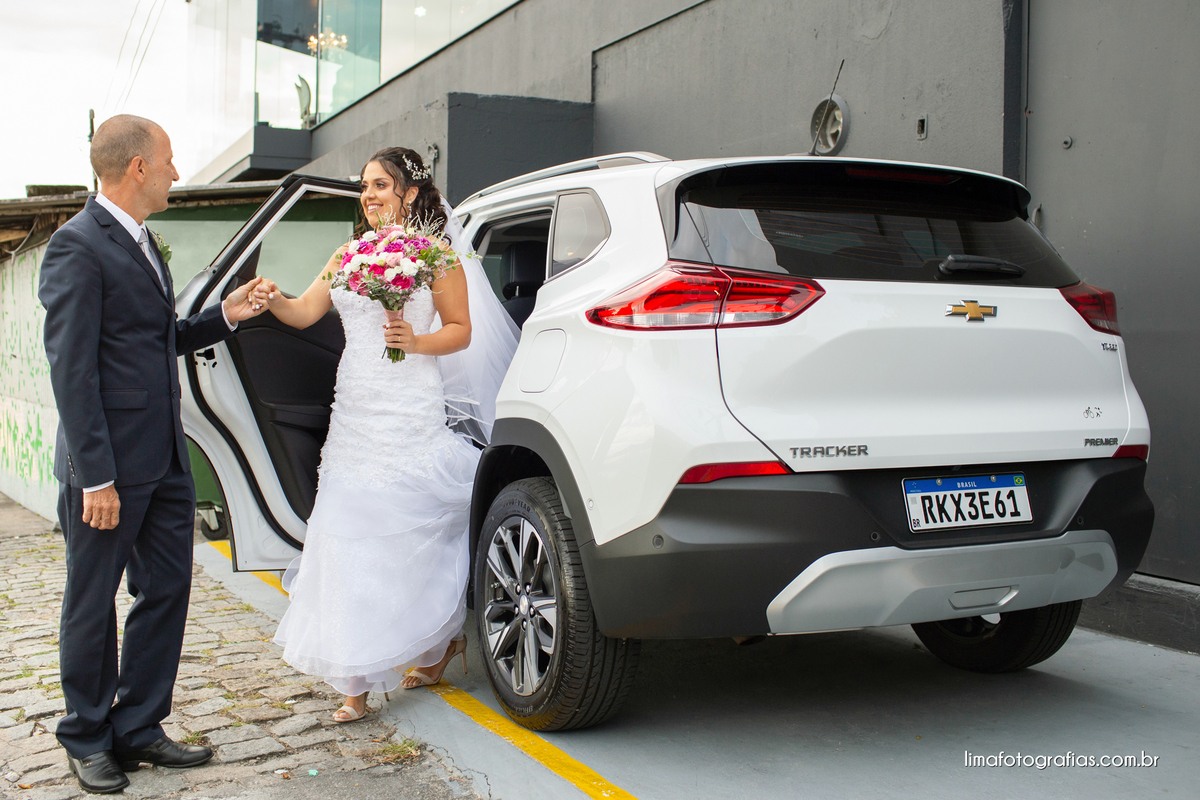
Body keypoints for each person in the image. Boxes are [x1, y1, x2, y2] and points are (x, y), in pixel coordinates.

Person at [39, 115, 273, 793]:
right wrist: (97, 477)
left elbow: (156, 336)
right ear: (137, 167)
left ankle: (138, 726)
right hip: (107, 470)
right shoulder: (76, 247)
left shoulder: (140, 241)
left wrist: (226, 314)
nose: (176, 171)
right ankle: (86, 736)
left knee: (166, 588)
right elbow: (72, 370)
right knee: (91, 603)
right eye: (168, 161)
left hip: (167, 460)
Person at [265, 148, 519, 722]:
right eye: (364, 187)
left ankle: (433, 642)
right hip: (355, 404)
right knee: (345, 526)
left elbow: (460, 331)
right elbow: (305, 312)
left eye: (381, 184)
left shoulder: (434, 255)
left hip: (410, 402)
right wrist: (271, 298)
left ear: (408, 193)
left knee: (404, 527)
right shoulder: (347, 255)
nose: (370, 194)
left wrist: (413, 340)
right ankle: (354, 676)